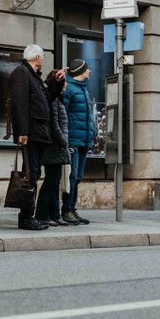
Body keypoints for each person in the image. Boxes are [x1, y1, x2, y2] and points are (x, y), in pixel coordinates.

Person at [10, 44, 66, 230]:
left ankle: (28, 216)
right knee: (30, 174)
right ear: (37, 58)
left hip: (38, 134)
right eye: (42, 57)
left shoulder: (34, 77)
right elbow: (19, 104)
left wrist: (56, 82)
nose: (43, 60)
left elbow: (46, 99)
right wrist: (22, 132)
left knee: (33, 174)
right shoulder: (22, 73)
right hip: (31, 134)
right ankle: (26, 217)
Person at [61, 58, 95, 225]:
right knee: (71, 176)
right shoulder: (69, 89)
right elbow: (64, 114)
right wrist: (65, 139)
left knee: (78, 176)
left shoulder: (83, 90)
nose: (89, 72)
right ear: (81, 71)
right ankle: (66, 210)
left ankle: (72, 210)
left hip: (83, 140)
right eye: (87, 69)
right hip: (73, 140)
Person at [36, 70, 71, 226]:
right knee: (51, 181)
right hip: (54, 146)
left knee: (55, 181)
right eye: (65, 81)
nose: (66, 84)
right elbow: (55, 124)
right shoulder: (54, 100)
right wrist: (63, 141)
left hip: (57, 145)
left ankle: (54, 214)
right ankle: (42, 214)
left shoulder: (58, 99)